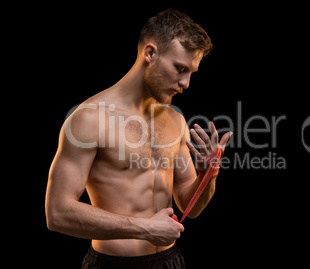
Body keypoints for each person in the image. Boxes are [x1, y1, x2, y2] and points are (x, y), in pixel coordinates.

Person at [45, 9, 232, 269]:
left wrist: (207, 177)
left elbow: (191, 205)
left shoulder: (175, 120)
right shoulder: (89, 119)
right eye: (180, 69)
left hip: (170, 260)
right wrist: (145, 229)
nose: (186, 83)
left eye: (191, 73)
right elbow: (57, 213)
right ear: (150, 53)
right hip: (112, 264)